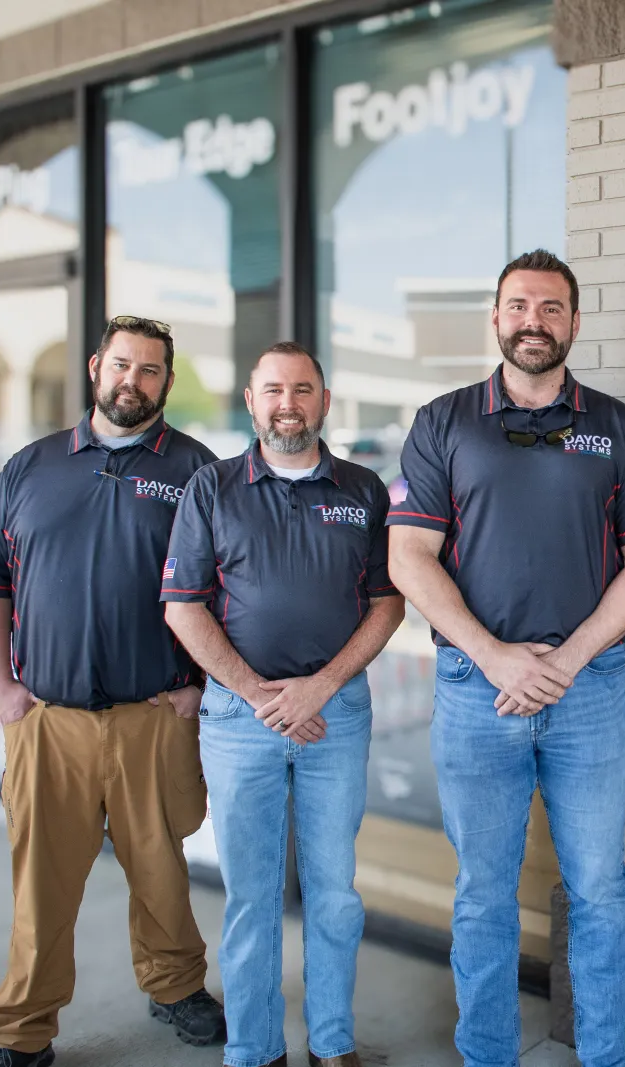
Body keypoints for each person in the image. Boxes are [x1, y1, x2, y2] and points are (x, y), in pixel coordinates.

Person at [387, 250, 625, 1067]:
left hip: (589, 693)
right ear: (497, 318)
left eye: (551, 307)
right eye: (519, 306)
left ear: (575, 323)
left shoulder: (620, 429)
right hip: (478, 692)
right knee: (483, 896)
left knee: (601, 892)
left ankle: (604, 1057)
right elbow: (411, 557)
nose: (533, 320)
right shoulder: (444, 423)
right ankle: (487, 1056)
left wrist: (567, 660)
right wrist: (497, 657)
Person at [0, 315, 225, 1067]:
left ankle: (175, 987)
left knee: (161, 870)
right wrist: (3, 693)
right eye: (121, 365)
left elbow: (228, 590)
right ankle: (21, 1031)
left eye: (149, 370)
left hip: (153, 715)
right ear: (95, 367)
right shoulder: (30, 467)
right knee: (41, 889)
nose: (131, 382)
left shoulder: (200, 473)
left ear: (168, 383)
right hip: (49, 720)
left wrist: (198, 685)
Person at [163, 342, 404, 1067]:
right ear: (250, 400)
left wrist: (319, 686)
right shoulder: (211, 489)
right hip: (241, 722)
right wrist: (258, 694)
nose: (288, 403)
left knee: (334, 894)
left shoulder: (364, 489)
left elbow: (387, 606)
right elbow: (183, 607)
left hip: (336, 715)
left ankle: (331, 1044)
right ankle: (255, 1047)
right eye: (273, 389)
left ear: (324, 400)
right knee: (251, 899)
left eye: (302, 388)